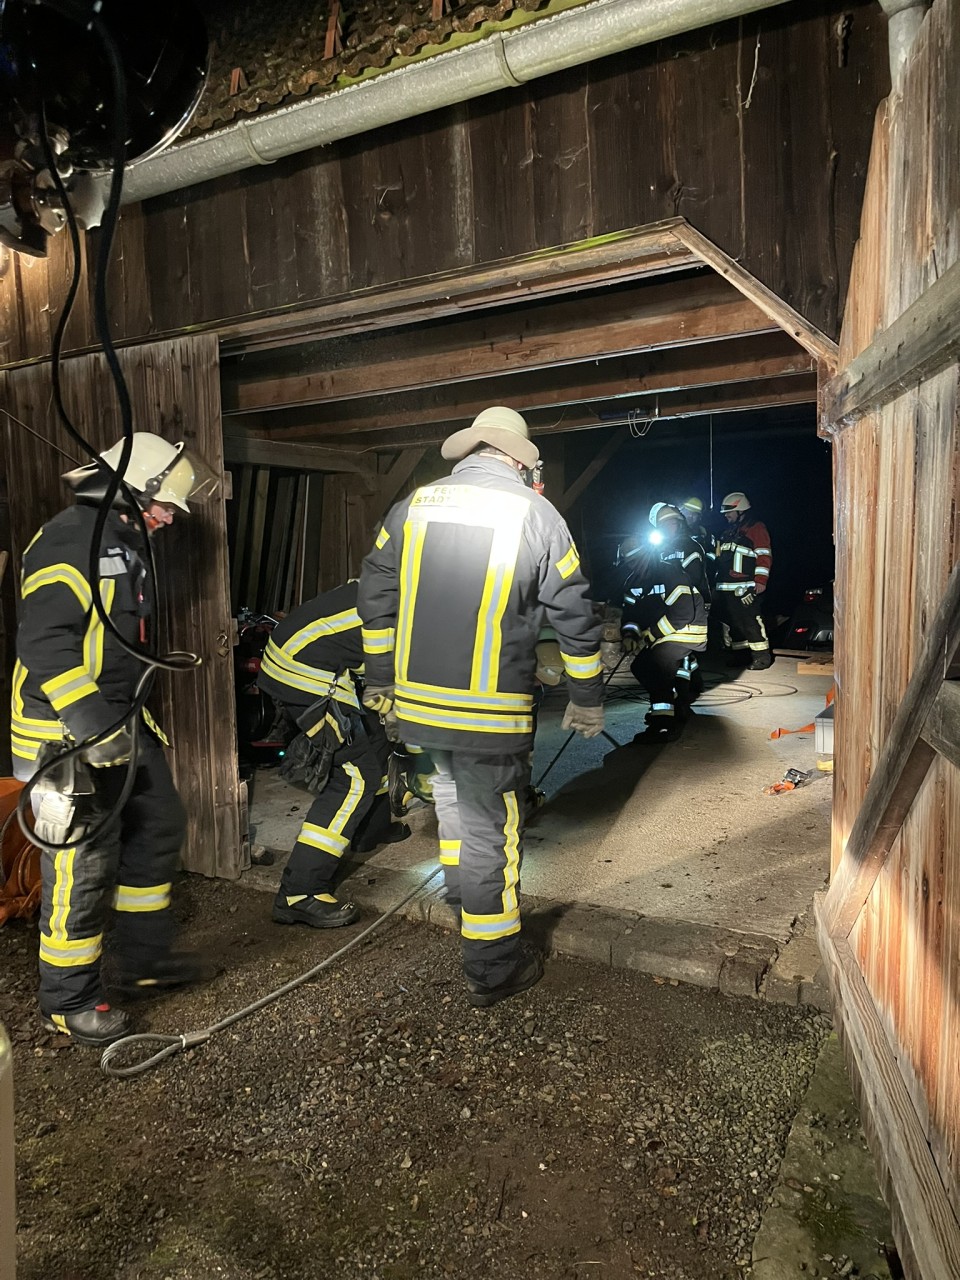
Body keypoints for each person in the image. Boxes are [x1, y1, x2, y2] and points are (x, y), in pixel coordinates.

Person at [357, 406, 604, 1008]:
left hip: (419, 708)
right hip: (489, 713)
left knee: (451, 806)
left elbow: (375, 594)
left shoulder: (412, 505)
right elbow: (573, 613)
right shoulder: (536, 514)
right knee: (492, 829)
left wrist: (381, 678)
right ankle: (493, 964)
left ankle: (464, 904)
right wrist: (586, 696)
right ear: (520, 461)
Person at [12, 433, 218, 1048]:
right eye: (165, 505)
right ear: (130, 490)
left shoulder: (123, 543)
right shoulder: (70, 540)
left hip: (117, 722)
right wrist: (90, 726)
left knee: (158, 823)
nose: (171, 518)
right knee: (82, 863)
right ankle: (68, 1001)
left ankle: (143, 965)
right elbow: (44, 643)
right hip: (65, 737)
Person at [256, 580, 410, 929]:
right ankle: (299, 892)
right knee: (355, 776)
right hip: (303, 671)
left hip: (319, 659)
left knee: (377, 739)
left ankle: (369, 831)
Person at [620, 503, 709, 743]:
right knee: (643, 666)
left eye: (637, 560)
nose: (634, 567)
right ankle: (673, 706)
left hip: (688, 629)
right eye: (629, 563)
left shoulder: (669, 573)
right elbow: (631, 615)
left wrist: (651, 634)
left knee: (655, 664)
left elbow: (682, 614)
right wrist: (629, 634)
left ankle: (663, 724)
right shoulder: (632, 583)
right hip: (667, 632)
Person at [714, 490, 774, 670]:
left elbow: (764, 555)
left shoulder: (756, 528)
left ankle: (761, 657)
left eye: (729, 512)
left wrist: (760, 581)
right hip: (726, 588)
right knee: (733, 624)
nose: (726, 516)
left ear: (740, 511)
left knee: (750, 621)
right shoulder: (727, 532)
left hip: (746, 587)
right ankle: (740, 656)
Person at [678, 496, 717, 577]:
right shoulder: (673, 530)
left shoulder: (705, 535)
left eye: (694, 514)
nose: (690, 516)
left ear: (699, 517)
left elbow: (713, 557)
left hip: (697, 574)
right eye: (688, 512)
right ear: (681, 511)